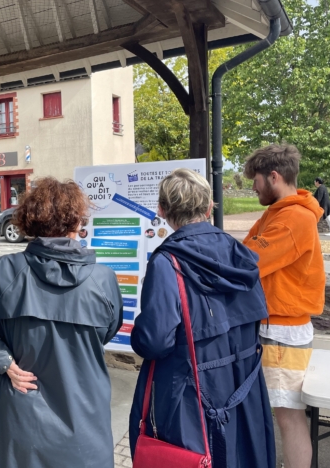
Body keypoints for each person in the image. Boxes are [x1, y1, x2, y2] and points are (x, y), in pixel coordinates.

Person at [0, 177, 124, 468]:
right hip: (85, 417)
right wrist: (4, 360)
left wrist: (3, 360)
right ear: (76, 222)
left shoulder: (3, 271)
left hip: (24, 418)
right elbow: (108, 331)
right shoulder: (103, 279)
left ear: (30, 221)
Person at [129, 168, 275, 468]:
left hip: (192, 395)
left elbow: (155, 342)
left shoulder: (167, 262)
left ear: (162, 210)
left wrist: (137, 332)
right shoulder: (241, 255)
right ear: (209, 208)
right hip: (245, 386)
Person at [242, 145, 325, 468]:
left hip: (282, 331)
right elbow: (245, 250)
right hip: (276, 326)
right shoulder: (277, 213)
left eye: (256, 180)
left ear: (273, 176)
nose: (253, 187)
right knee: (284, 414)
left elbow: (247, 261)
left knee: (289, 416)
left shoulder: (293, 218)